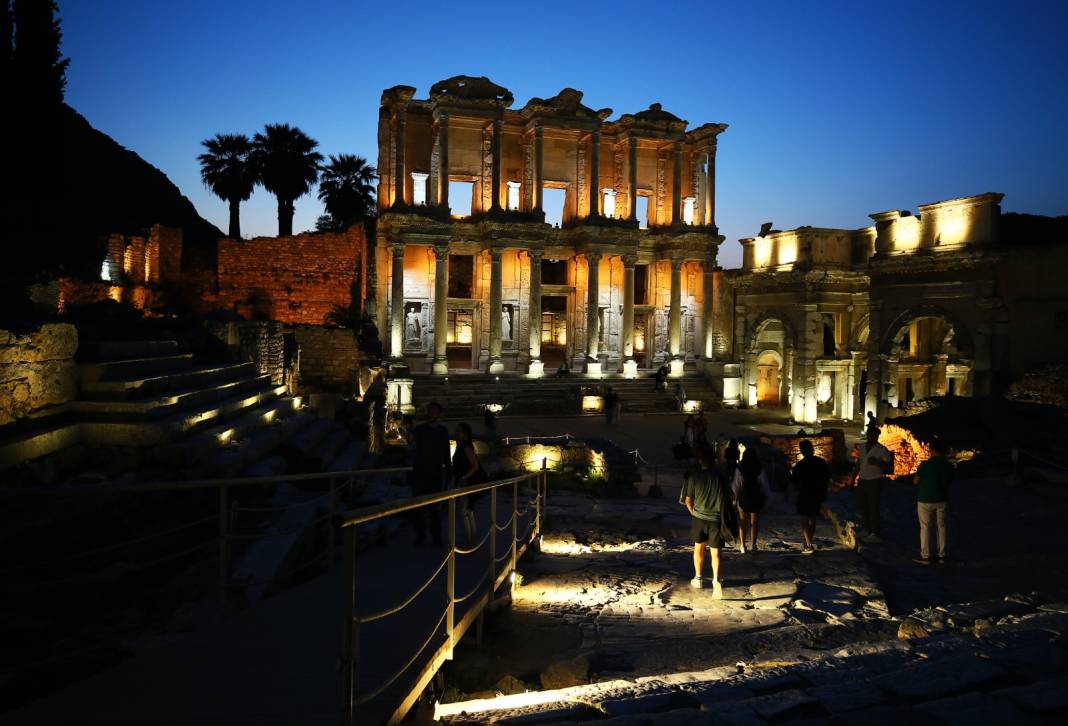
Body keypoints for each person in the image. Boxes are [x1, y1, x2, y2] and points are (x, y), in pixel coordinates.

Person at [682, 446, 728, 598]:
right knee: (716, 552)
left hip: (699, 517)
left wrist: (694, 513)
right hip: (716, 519)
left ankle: (699, 578)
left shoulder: (694, 477)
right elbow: (731, 496)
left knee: (698, 548)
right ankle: (716, 579)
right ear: (714, 460)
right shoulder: (720, 476)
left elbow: (688, 500)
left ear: (700, 460)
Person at [409, 401, 451, 546]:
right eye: (429, 410)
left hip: (436, 473)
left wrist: (449, 471)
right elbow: (412, 446)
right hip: (420, 472)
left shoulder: (443, 431)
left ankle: (436, 538)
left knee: (435, 509)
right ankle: (420, 536)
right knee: (418, 508)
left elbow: (446, 452)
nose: (430, 413)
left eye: (433, 411)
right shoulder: (419, 429)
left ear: (439, 414)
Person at [913, 438, 953, 565]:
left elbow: (916, 481)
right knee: (941, 527)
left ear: (932, 450)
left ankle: (925, 556)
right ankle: (941, 555)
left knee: (925, 528)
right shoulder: (947, 465)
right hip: (941, 499)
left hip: (925, 499)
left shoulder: (926, 464)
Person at [851, 427, 894, 541]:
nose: (873, 437)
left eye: (875, 435)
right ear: (868, 435)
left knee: (873, 507)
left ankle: (875, 532)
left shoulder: (882, 450)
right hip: (863, 480)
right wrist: (853, 478)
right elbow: (859, 464)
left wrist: (877, 462)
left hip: (875, 480)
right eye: (871, 435)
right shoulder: (862, 447)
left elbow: (889, 467)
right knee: (862, 506)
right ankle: (866, 529)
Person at [791, 440, 831, 554]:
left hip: (804, 494)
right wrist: (825, 492)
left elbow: (793, 482)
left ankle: (808, 545)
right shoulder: (821, 462)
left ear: (802, 451)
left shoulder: (800, 465)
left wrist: (790, 494)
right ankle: (807, 542)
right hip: (817, 493)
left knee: (804, 520)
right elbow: (827, 478)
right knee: (813, 519)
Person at [453, 422, 488, 543]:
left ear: (465, 434)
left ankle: (469, 539)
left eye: (459, 431)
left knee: (463, 511)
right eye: (456, 431)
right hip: (466, 481)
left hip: (467, 482)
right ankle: (471, 538)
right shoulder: (461, 446)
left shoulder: (466, 447)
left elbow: (475, 466)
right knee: (468, 510)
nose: (456, 433)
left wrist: (464, 478)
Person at [732, 448, 772, 554]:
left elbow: (736, 486)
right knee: (754, 523)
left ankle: (743, 546)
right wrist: (767, 500)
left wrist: (734, 501)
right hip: (755, 499)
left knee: (742, 522)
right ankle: (753, 545)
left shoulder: (739, 469)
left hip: (743, 499)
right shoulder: (759, 469)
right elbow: (764, 486)